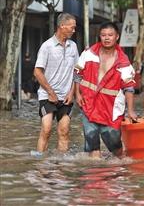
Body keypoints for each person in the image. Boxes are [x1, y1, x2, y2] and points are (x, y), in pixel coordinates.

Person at [74, 22, 137, 158]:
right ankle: (95, 174)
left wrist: (131, 111)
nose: (106, 38)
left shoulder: (123, 61)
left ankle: (120, 169)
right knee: (92, 142)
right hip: (88, 104)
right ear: (99, 36)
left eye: (110, 35)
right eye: (103, 35)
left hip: (111, 109)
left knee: (116, 147)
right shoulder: (89, 53)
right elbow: (77, 73)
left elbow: (129, 88)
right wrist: (77, 94)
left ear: (117, 37)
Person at [32, 13, 79, 156]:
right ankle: (40, 164)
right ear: (62, 26)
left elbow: (77, 72)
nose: (74, 30)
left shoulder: (73, 46)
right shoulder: (47, 46)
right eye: (72, 27)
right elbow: (37, 72)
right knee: (46, 130)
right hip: (47, 96)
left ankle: (60, 166)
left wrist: (72, 93)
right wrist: (51, 93)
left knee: (64, 131)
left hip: (66, 96)